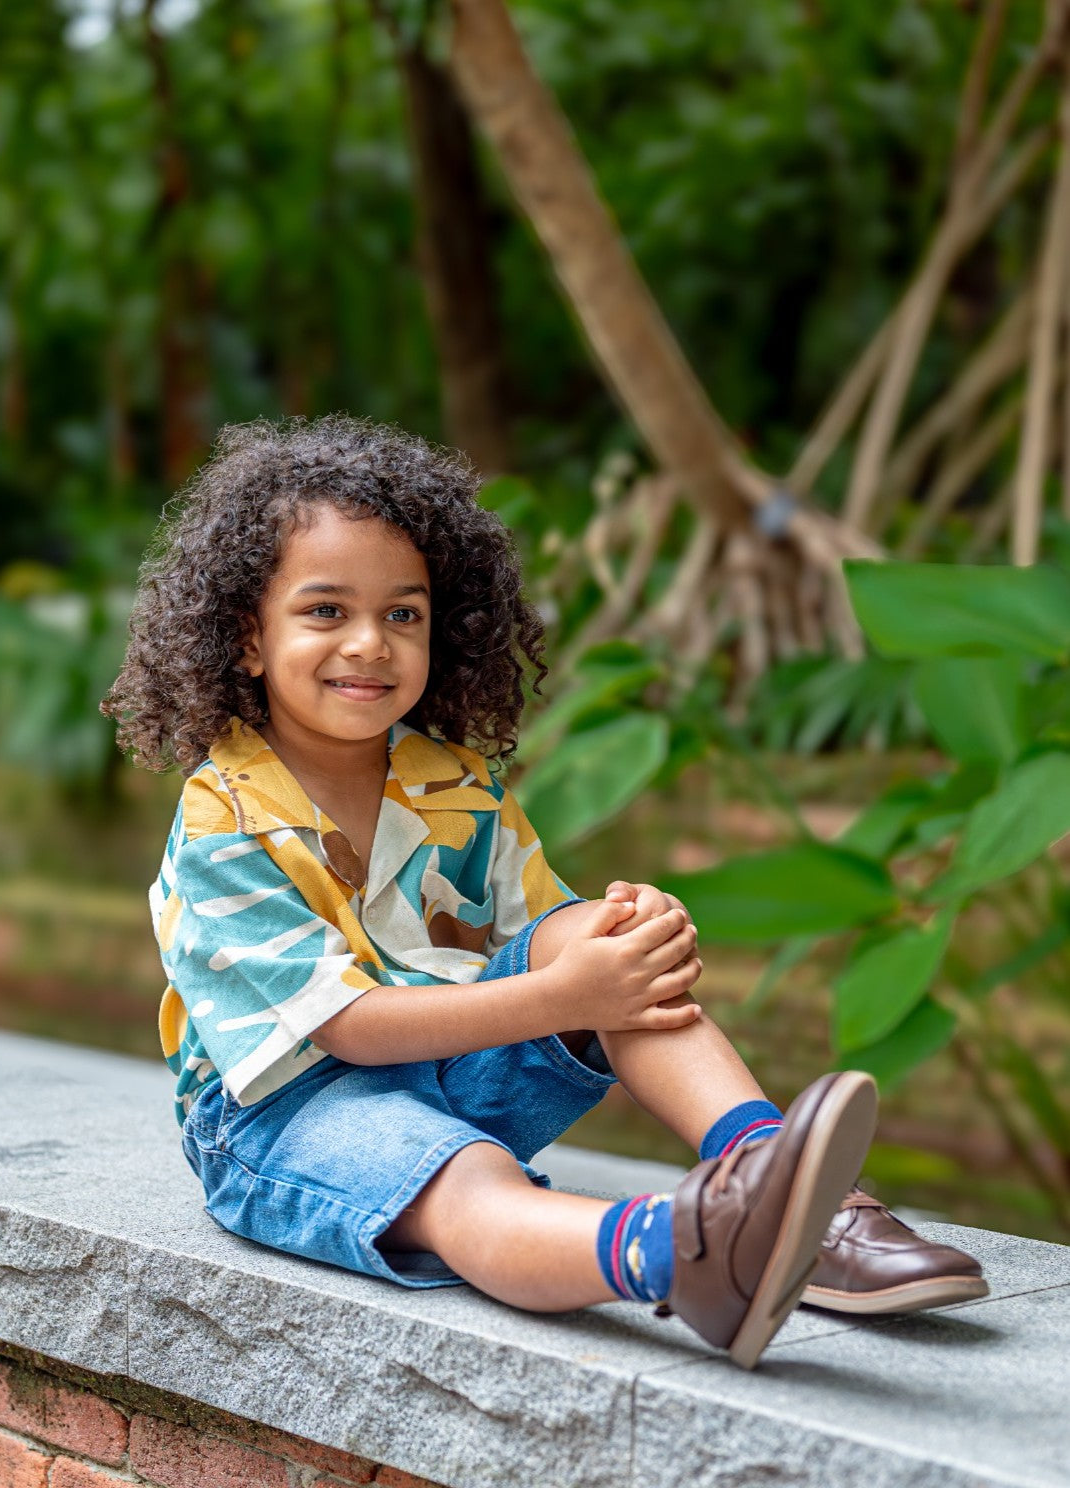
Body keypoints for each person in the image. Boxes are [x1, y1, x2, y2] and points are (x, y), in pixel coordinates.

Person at [102, 416, 986, 1370]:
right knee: (469, 1180)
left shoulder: (452, 777)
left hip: (452, 1067)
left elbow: (544, 926)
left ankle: (772, 1181)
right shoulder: (223, 821)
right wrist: (568, 995)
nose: (370, 643)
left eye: (404, 614)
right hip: (287, 1116)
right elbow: (347, 1027)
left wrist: (615, 934)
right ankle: (685, 1251)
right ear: (247, 637)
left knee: (611, 951)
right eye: (325, 612)